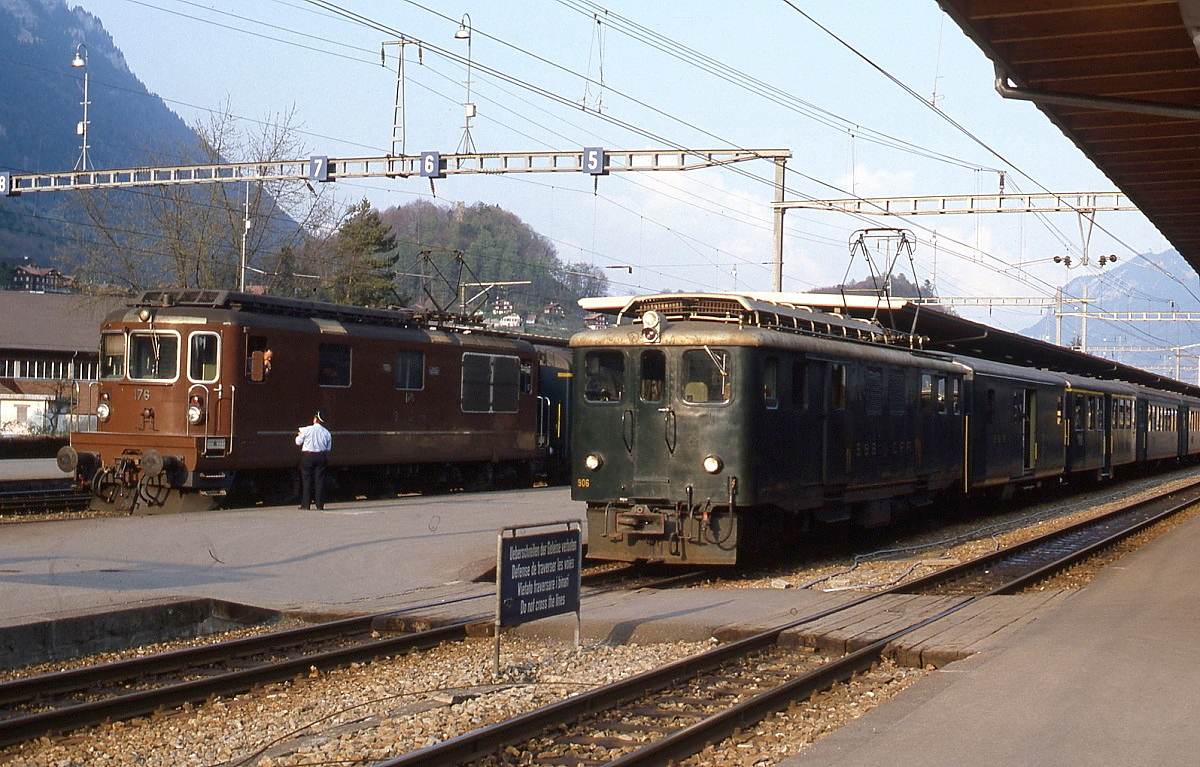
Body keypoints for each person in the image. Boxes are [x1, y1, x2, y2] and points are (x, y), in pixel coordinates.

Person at [295, 410, 332, 510]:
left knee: (306, 480)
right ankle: (320, 505)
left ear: (315, 419)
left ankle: (306, 505)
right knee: (319, 480)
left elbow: (298, 442)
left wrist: (299, 435)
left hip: (308, 456)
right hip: (321, 456)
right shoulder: (327, 433)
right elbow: (328, 448)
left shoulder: (307, 430)